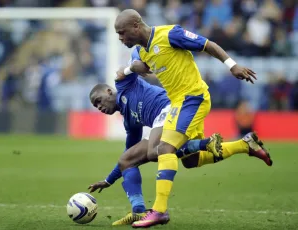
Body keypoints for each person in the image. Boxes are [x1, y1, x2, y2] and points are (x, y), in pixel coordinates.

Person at [114, 9, 258, 228]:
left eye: (122, 33)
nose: (120, 38)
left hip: (194, 97)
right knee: (190, 160)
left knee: (164, 149)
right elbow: (138, 68)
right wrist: (130, 67)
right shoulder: (141, 52)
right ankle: (245, 145)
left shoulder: (170, 34)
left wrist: (232, 65)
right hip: (177, 104)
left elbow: (207, 44)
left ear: (136, 25)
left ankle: (160, 211)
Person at [87, 70, 272, 226]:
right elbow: (127, 158)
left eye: (98, 100)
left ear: (109, 91)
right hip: (171, 117)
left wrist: (132, 67)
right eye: (95, 106)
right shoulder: (129, 121)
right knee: (189, 161)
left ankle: (204, 144)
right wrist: (109, 180)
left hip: (173, 108)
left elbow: (134, 62)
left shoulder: (125, 86)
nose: (99, 107)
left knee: (153, 151)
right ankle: (244, 145)